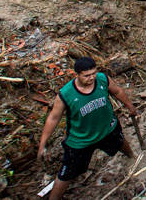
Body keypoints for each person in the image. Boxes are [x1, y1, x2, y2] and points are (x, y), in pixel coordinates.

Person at [37, 57, 137, 200]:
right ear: (76, 74)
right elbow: (53, 118)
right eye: (87, 75)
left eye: (93, 73)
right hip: (80, 141)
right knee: (66, 174)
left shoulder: (102, 79)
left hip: (107, 129)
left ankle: (133, 159)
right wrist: (42, 144)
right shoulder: (66, 94)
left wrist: (130, 106)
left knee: (121, 142)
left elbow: (117, 91)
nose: (91, 78)